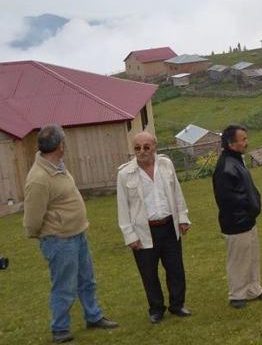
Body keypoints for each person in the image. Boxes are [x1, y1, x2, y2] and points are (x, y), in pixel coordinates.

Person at [23, 124, 118, 343]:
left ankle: (93, 316)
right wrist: (47, 234)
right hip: (59, 240)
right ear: (59, 145)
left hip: (77, 234)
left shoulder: (58, 167)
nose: (65, 144)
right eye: (63, 141)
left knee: (87, 280)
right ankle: (60, 329)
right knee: (64, 286)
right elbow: (32, 218)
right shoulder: (38, 178)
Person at [116, 131, 192, 324]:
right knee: (149, 273)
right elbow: (122, 207)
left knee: (176, 269)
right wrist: (130, 235)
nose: (141, 152)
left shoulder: (166, 165)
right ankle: (156, 309)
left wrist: (182, 218)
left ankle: (177, 304)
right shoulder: (125, 174)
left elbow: (177, 193)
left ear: (154, 147)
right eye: (137, 148)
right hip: (144, 231)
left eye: (146, 147)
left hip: (168, 226)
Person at [212, 124, 262, 308]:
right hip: (236, 222)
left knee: (252, 256)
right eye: (243, 139)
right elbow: (227, 199)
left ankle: (254, 288)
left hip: (247, 220)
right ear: (232, 143)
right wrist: (247, 210)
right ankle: (237, 294)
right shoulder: (226, 166)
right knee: (239, 259)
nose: (246, 143)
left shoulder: (236, 160)